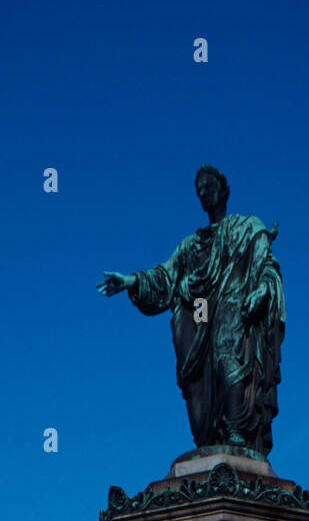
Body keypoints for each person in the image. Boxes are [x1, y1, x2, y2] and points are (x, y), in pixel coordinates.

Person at [97, 165, 284, 456]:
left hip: (233, 307)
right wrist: (133, 280)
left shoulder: (247, 228)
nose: (202, 194)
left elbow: (267, 267)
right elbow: (166, 275)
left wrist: (261, 290)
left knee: (226, 359)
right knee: (200, 373)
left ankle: (235, 430)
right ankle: (211, 434)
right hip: (200, 311)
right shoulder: (191, 245)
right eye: (198, 190)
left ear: (222, 189)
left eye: (207, 187)